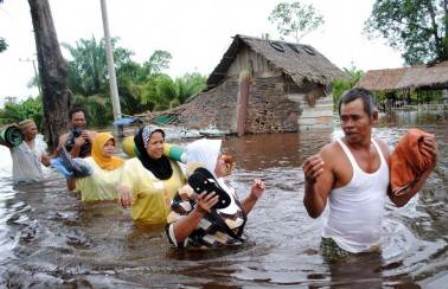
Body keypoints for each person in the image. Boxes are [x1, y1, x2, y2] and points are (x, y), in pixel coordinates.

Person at [302, 88, 438, 260]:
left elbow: (399, 200)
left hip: (373, 247)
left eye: (355, 118)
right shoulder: (330, 155)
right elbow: (314, 212)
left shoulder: (384, 150)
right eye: (344, 119)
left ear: (373, 117)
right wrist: (309, 183)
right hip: (339, 248)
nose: (348, 125)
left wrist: (428, 169)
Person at [165, 138, 265, 249]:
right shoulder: (187, 192)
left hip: (231, 258)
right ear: (207, 161)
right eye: (218, 158)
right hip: (204, 262)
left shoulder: (226, 186)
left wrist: (252, 198)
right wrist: (198, 212)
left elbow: (234, 218)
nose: (224, 161)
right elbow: (174, 236)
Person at [119, 126, 186, 225]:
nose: (159, 146)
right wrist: (123, 189)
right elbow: (125, 185)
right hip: (147, 228)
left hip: (175, 226)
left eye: (161, 142)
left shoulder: (172, 163)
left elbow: (186, 186)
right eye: (154, 143)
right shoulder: (132, 166)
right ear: (144, 145)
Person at [65, 132, 125, 203]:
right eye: (106, 145)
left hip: (115, 206)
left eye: (112, 145)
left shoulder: (120, 163)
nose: (110, 148)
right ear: (98, 145)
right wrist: (70, 174)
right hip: (93, 207)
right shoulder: (86, 163)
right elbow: (71, 188)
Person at [9, 119, 50, 183]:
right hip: (21, 184)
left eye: (36, 129)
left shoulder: (39, 143)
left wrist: (58, 154)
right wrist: (10, 127)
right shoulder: (15, 144)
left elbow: (47, 163)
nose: (35, 131)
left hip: (39, 182)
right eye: (32, 129)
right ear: (23, 131)